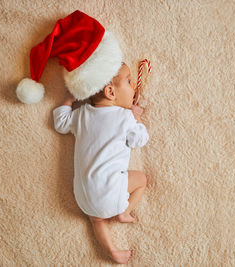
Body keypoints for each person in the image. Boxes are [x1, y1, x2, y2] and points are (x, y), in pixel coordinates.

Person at [53, 63, 149, 264]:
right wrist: (136, 118)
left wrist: (69, 98)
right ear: (110, 92)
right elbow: (138, 141)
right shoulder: (125, 117)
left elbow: (60, 123)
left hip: (84, 196)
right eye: (129, 81)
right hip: (112, 189)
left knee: (96, 218)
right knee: (142, 180)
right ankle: (125, 210)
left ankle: (111, 250)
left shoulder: (81, 115)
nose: (134, 87)